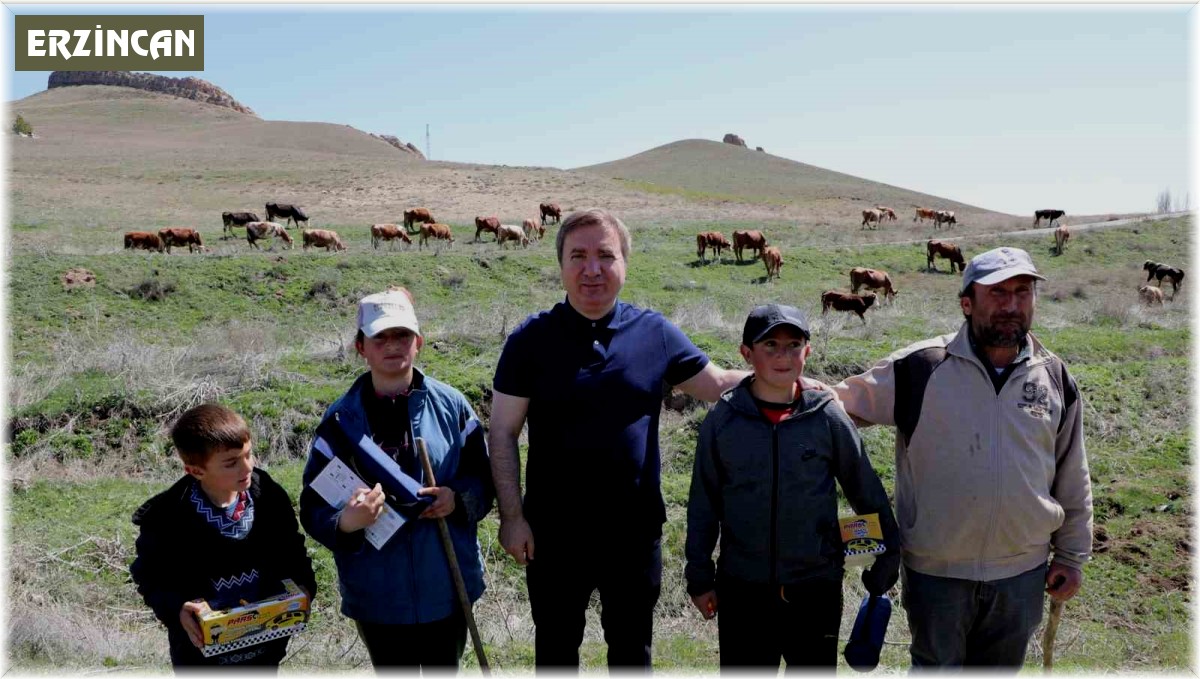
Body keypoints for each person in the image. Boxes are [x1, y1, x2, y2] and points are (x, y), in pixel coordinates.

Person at [489, 208, 756, 670]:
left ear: (624, 265)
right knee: (555, 652)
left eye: (605, 256)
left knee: (633, 653)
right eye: (579, 256)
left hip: (633, 534)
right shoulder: (530, 340)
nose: (592, 269)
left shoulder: (653, 333)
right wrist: (512, 517)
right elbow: (502, 432)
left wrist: (783, 380)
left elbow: (714, 385)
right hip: (554, 534)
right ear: (561, 266)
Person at [829, 246, 1093, 669]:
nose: (1011, 305)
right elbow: (836, 405)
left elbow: (1071, 473)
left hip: (1021, 574)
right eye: (997, 293)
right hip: (938, 573)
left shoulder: (1054, 377)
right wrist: (765, 382)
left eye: (1022, 292)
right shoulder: (921, 367)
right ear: (967, 303)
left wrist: (1071, 556)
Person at [685, 303, 901, 671]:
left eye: (794, 344)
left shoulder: (828, 416)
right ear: (746, 353)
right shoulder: (723, 420)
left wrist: (888, 554)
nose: (783, 356)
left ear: (808, 351)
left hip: (815, 588)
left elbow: (866, 490)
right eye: (770, 345)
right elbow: (703, 503)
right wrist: (700, 574)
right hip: (743, 589)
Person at [299, 288, 493, 671]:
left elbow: (484, 481)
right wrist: (347, 523)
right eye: (380, 338)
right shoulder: (340, 425)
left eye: (402, 335)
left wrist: (457, 498)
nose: (393, 346)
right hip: (378, 594)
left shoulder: (453, 407)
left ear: (418, 342)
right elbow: (313, 508)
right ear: (361, 347)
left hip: (447, 585)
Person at [130, 403, 316, 670]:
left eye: (249, 455)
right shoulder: (168, 517)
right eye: (231, 463)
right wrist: (177, 609)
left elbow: (292, 552)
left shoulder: (269, 499)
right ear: (196, 470)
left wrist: (305, 588)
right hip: (201, 658)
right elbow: (150, 576)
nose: (247, 467)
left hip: (266, 648)